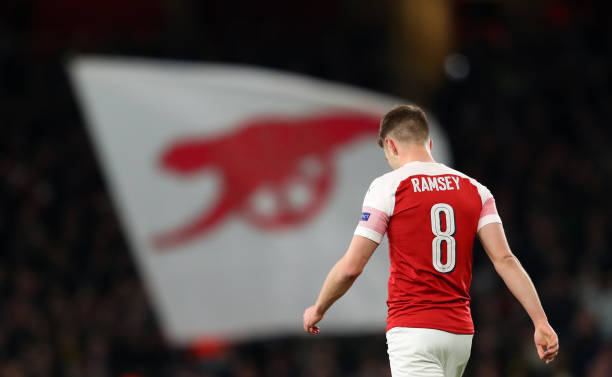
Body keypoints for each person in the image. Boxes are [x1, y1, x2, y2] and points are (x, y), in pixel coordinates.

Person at [302, 105, 559, 376]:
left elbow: (351, 267)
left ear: (390, 145)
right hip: (459, 335)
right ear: (430, 144)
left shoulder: (388, 187)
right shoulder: (476, 190)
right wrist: (540, 320)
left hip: (414, 331)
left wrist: (319, 307)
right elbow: (505, 259)